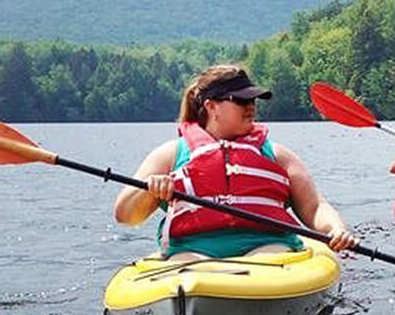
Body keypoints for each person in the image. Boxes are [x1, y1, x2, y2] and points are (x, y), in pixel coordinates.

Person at [114, 64, 358, 261]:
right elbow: (125, 215)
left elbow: (314, 207)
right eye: (241, 100)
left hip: (268, 247)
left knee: (267, 261)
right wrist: (148, 190)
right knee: (187, 270)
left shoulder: (278, 155)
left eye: (253, 100)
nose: (251, 106)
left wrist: (335, 229)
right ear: (212, 107)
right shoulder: (170, 154)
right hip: (192, 251)